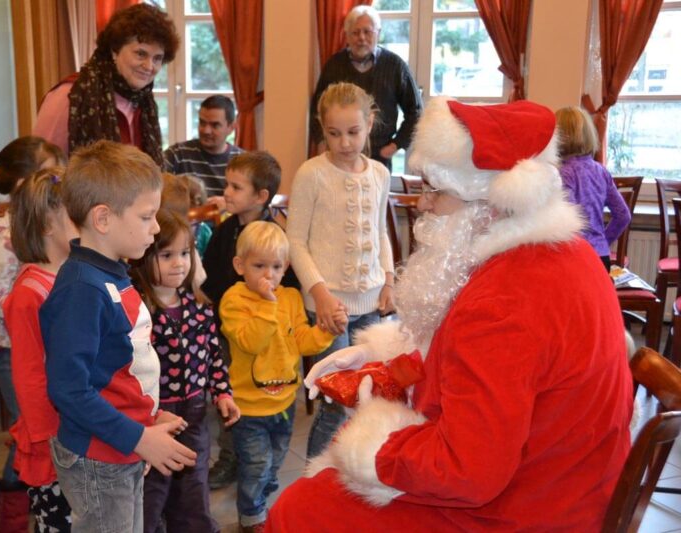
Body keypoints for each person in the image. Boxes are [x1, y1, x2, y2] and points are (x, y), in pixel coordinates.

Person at [266, 98, 634, 532]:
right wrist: (384, 363)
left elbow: (466, 471)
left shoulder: (502, 302)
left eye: (436, 191)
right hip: (571, 483)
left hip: (529, 509)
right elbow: (472, 366)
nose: (422, 204)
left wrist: (367, 448)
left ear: (489, 207)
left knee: (298, 508)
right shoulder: (563, 254)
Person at [40, 140, 197, 531]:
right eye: (147, 216)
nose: (156, 227)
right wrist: (138, 437)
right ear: (103, 219)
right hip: (100, 455)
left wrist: (146, 416)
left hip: (120, 443)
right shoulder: (82, 289)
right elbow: (70, 390)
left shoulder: (111, 272)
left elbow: (114, 368)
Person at [288, 82, 394, 459]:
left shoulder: (379, 174)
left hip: (371, 305)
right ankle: (315, 477)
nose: (345, 143)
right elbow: (295, 241)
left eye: (353, 132)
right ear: (322, 128)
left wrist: (389, 279)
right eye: (334, 134)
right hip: (328, 307)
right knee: (335, 400)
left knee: (368, 394)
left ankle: (353, 469)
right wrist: (320, 295)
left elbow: (380, 232)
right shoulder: (311, 174)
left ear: (369, 124)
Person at [220, 221, 340, 532]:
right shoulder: (234, 300)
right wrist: (267, 306)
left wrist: (326, 331)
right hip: (249, 407)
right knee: (257, 464)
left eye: (275, 267)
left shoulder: (290, 297)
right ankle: (252, 517)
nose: (268, 275)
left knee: (274, 461)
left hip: (284, 403)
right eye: (259, 266)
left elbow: (302, 341)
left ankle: (259, 495)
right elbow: (251, 341)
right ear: (240, 266)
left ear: (285, 267)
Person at [131, 208, 239, 533]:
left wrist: (222, 393)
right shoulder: (139, 310)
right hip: (155, 416)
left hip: (194, 412)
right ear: (144, 256)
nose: (179, 263)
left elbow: (214, 356)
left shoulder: (200, 306)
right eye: (166, 255)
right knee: (152, 493)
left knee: (193, 489)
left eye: (184, 253)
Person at [200, 151, 295, 490]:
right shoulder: (225, 231)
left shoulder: (275, 236)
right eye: (227, 184)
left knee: (258, 397)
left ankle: (259, 461)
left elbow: (288, 288)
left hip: (266, 336)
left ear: (260, 196)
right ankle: (230, 457)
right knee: (229, 393)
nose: (226, 192)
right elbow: (209, 281)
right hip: (229, 332)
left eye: (236, 187)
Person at [2, 168, 76, 532]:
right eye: (76, 215)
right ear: (48, 225)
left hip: (76, 427)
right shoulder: (30, 293)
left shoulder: (72, 274)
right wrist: (51, 440)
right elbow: (30, 377)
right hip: (53, 440)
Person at [33, 3, 179, 163]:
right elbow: (40, 169)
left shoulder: (144, 101)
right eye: (140, 54)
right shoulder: (70, 95)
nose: (149, 66)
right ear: (114, 50)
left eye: (157, 58)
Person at [310, 5, 422, 170]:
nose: (361, 38)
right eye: (355, 33)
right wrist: (321, 142)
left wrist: (396, 145)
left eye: (367, 32)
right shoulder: (334, 65)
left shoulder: (395, 66)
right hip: (340, 154)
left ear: (378, 33)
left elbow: (416, 111)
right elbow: (317, 108)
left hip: (379, 157)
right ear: (347, 35)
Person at [555, 106, 630, 271]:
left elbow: (568, 221)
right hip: (601, 256)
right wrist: (603, 241)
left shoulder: (562, 174)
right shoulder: (601, 171)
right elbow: (623, 215)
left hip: (575, 257)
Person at [163, 95, 244, 208]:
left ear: (231, 127)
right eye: (202, 123)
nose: (206, 130)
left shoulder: (243, 161)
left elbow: (252, 202)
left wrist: (228, 203)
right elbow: (154, 187)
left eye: (215, 125)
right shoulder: (177, 154)